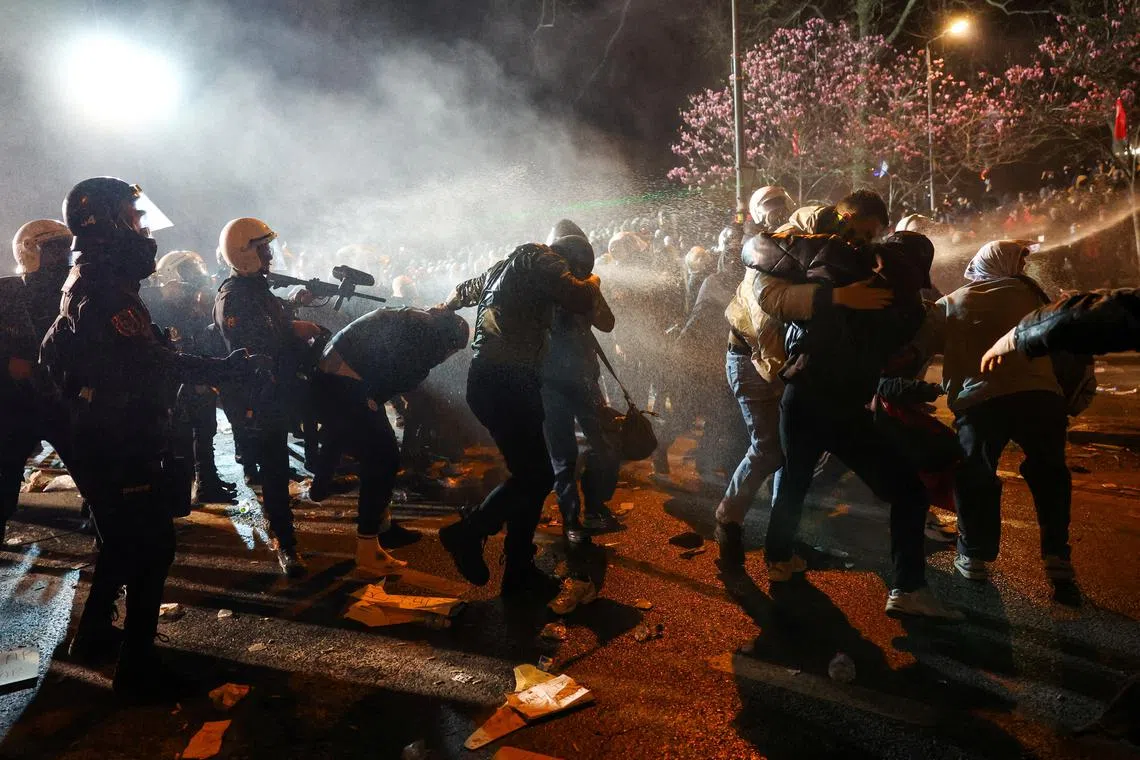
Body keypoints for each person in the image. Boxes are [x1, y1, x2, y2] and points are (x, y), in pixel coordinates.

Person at [40, 177, 262, 699]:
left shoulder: (92, 278)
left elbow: (58, 350)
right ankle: (136, 670)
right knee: (151, 546)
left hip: (106, 430)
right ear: (108, 224)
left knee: (118, 543)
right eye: (134, 219)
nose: (143, 230)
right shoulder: (104, 289)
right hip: (119, 436)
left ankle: (93, 635)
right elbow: (151, 361)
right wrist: (225, 369)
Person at [751, 199, 962, 618]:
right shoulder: (897, 307)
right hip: (840, 406)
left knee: (794, 479)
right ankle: (908, 588)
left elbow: (766, 257)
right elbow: (890, 356)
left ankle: (777, 560)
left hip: (802, 393)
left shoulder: (837, 275)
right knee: (907, 491)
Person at [439, 238, 601, 598]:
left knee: (532, 476)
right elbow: (580, 297)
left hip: (493, 379)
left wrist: (443, 308)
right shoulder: (541, 258)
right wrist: (594, 282)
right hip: (508, 380)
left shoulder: (504, 265)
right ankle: (469, 533)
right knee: (537, 474)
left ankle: (518, 571)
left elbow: (462, 291)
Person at [926, 240, 1075, 584]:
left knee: (975, 475)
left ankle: (973, 556)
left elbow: (922, 344)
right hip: (1041, 399)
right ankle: (1056, 556)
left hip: (981, 404)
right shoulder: (1035, 296)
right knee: (1049, 474)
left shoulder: (952, 302)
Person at [310, 305, 469, 575]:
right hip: (344, 381)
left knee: (359, 441)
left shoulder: (418, 322)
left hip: (337, 375)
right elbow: (397, 377)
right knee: (383, 459)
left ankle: (374, 523)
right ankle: (368, 548)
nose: (449, 357)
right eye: (453, 350)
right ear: (447, 340)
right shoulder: (424, 340)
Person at [214, 217, 323, 578]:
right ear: (245, 253)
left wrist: (291, 309)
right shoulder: (234, 296)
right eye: (263, 249)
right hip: (257, 396)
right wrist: (293, 331)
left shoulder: (254, 289)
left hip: (276, 391)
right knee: (274, 472)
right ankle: (285, 542)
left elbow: (270, 317)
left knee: (278, 468)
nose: (270, 255)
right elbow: (255, 346)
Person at [539, 220, 619, 544]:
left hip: (584, 377)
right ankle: (572, 519)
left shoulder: (586, 287)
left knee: (604, 445)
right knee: (563, 454)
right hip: (551, 382)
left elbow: (607, 323)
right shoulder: (539, 289)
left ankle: (594, 508)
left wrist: (590, 290)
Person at [1, 220, 79, 545]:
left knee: (101, 484)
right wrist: (7, 364)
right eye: (55, 248)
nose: (64, 255)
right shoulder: (7, 293)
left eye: (66, 247)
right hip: (15, 406)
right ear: (31, 250)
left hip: (63, 400)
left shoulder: (77, 290)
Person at [142, 250, 237, 506]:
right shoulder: (157, 309)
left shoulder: (188, 306)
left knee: (205, 429)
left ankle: (207, 480)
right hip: (174, 384)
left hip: (194, 376)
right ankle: (185, 489)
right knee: (181, 438)